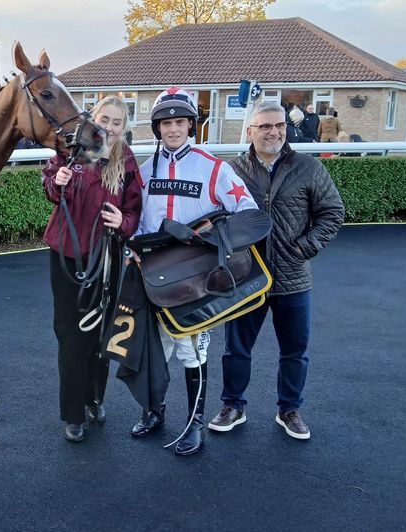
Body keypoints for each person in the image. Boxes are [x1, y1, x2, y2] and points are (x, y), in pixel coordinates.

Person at [129, 87, 258, 456]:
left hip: (196, 278)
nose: (173, 129)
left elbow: (245, 212)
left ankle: (194, 423)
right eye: (166, 123)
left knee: (192, 350)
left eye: (180, 122)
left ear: (191, 125)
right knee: (156, 348)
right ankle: (154, 411)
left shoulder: (214, 167)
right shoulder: (145, 170)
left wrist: (206, 235)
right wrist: (132, 248)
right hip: (154, 274)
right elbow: (137, 219)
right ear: (157, 128)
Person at [208, 102, 344, 441]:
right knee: (236, 350)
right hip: (246, 278)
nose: (274, 132)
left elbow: (332, 212)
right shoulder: (231, 171)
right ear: (250, 132)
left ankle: (289, 410)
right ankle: (232, 406)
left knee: (294, 350)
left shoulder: (308, 167)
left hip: (293, 278)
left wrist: (302, 248)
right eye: (266, 126)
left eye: (279, 125)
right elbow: (213, 218)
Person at [41, 96, 143, 442]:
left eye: (117, 122)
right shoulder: (73, 148)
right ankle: (72, 413)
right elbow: (50, 186)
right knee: (71, 335)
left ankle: (94, 397)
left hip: (106, 257)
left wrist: (123, 222)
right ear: (93, 119)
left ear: (124, 126)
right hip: (66, 254)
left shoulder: (126, 161)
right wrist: (58, 181)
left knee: (100, 334)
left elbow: (134, 211)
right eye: (105, 119)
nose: (110, 127)